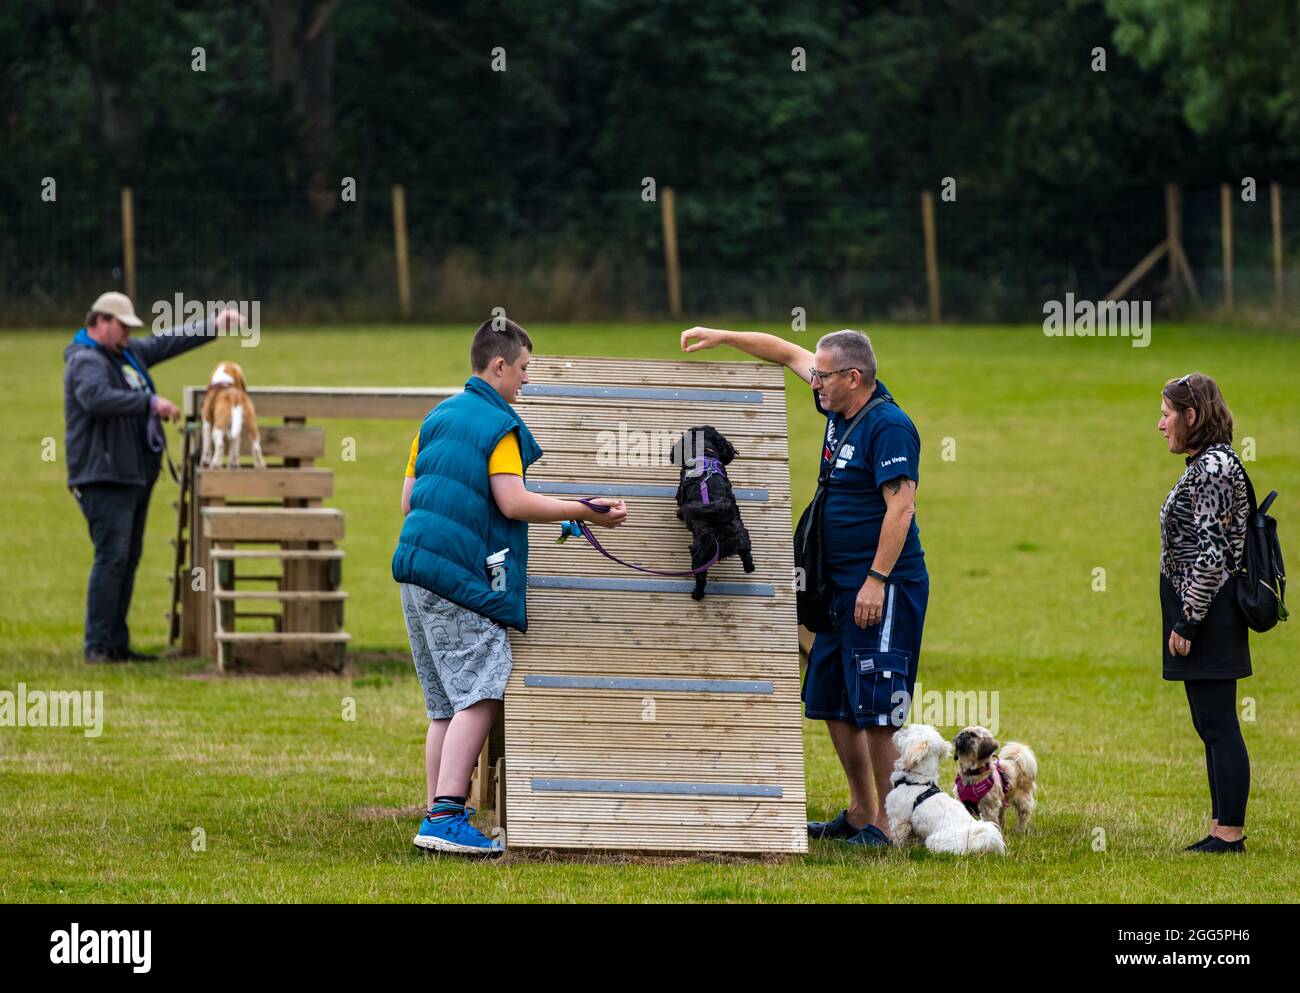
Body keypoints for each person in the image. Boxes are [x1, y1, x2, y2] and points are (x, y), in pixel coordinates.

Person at [681, 326, 927, 847]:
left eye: (824, 376)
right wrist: (721, 336)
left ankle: (890, 824)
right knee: (832, 699)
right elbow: (786, 350)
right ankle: (861, 811)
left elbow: (901, 508)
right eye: (815, 374)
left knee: (879, 707)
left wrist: (876, 580)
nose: (813, 382)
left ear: (853, 377)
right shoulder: (839, 408)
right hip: (835, 590)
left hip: (881, 586)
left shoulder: (888, 427)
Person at [392, 317, 628, 856]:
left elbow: (410, 502)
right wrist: (584, 510)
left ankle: (436, 811)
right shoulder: (501, 426)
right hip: (459, 580)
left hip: (414, 571)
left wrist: (557, 517)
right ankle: (446, 817)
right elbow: (513, 502)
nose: (527, 381)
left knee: (444, 704)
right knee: (482, 687)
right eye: (523, 369)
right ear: (498, 366)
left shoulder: (436, 417)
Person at [64, 292, 243, 663]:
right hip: (102, 475)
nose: (129, 333)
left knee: (126, 558)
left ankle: (115, 643)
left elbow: (166, 341)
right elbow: (96, 399)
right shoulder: (85, 361)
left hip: (130, 474)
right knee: (111, 557)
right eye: (123, 325)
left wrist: (212, 326)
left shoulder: (125, 354)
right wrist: (149, 403)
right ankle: (97, 645)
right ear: (100, 322)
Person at [1158, 372, 1252, 854]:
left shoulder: (1214, 468)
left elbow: (1213, 553)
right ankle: (1220, 826)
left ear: (1191, 417)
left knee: (1219, 723)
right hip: (1203, 611)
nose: (1161, 425)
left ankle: (1230, 834)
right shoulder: (1207, 463)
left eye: (1167, 414)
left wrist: (1189, 619)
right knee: (1209, 723)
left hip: (1210, 615)